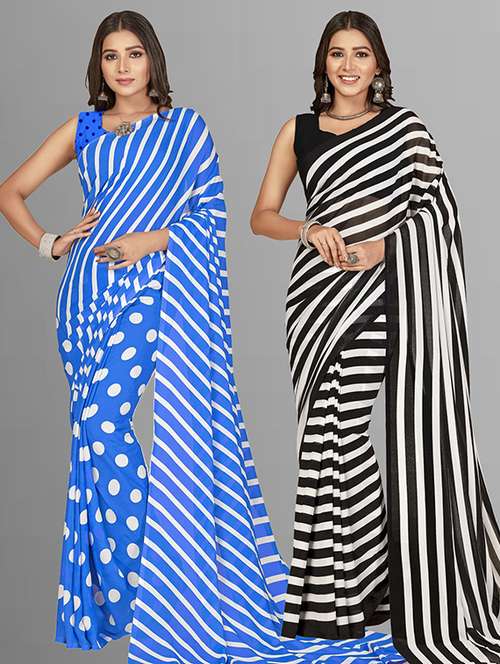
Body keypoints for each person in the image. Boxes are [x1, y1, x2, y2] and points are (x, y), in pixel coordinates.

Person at [0, 9, 404, 664]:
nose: (123, 66)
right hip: (83, 296)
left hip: (157, 287)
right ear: (99, 66)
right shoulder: (83, 128)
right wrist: (51, 242)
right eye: (111, 56)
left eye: (134, 53)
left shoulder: (185, 128)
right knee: (92, 438)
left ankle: (168, 580)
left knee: (107, 427)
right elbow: (10, 191)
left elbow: (212, 217)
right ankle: (146, 589)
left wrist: (147, 241)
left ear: (153, 60)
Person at [250, 9, 500, 664]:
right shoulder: (298, 130)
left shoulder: (405, 129)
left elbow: (438, 212)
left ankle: (369, 590)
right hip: (314, 301)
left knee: (346, 428)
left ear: (379, 64)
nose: (349, 65)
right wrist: (308, 229)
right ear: (323, 63)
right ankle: (351, 600)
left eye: (361, 53)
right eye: (338, 53)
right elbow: (262, 216)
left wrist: (382, 247)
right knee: (321, 437)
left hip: (382, 298)